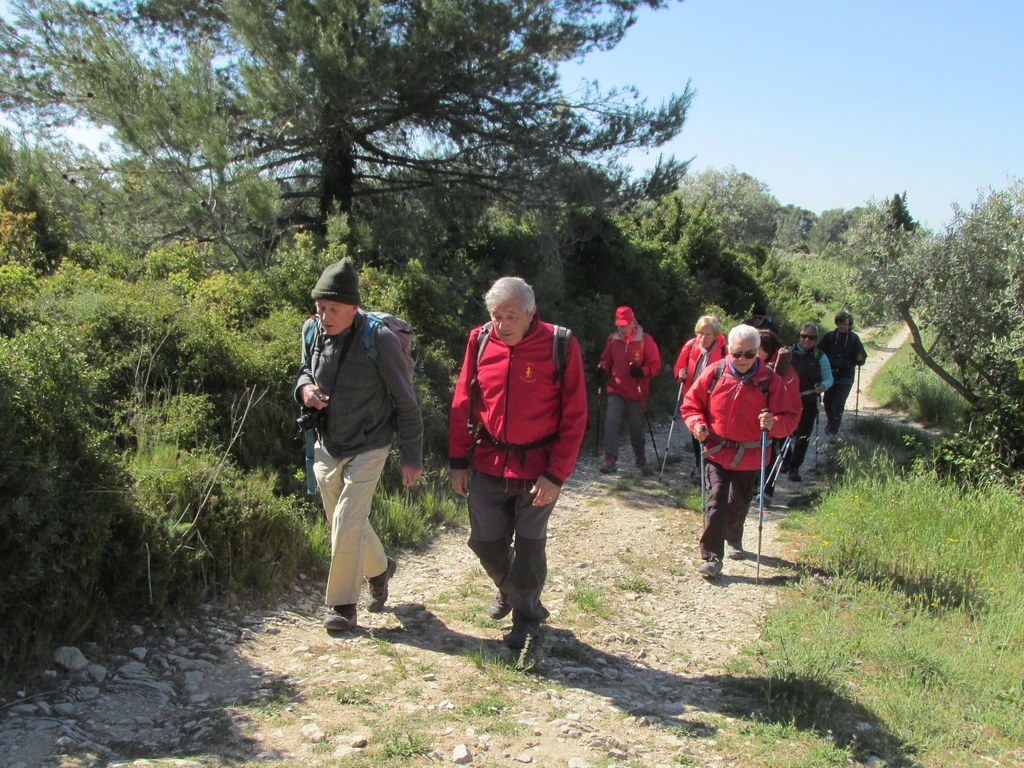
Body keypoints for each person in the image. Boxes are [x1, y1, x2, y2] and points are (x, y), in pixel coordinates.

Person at [449, 277, 587, 650]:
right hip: (488, 461)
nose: (503, 325)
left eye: (511, 316)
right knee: (484, 542)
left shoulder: (560, 343)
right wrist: (458, 460)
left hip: (539, 468)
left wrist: (556, 474)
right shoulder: (479, 341)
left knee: (529, 546)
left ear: (530, 313)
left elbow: (575, 415)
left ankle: (526, 620)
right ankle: (511, 590)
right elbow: (463, 401)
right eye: (497, 316)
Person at [294, 258, 424, 633]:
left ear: (354, 307)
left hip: (371, 443)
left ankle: (342, 605)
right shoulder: (311, 331)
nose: (325, 315)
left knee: (348, 520)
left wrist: (411, 457)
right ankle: (381, 569)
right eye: (320, 307)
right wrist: (306, 389)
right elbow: (303, 370)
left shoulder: (378, 339)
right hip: (326, 442)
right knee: (342, 521)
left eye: (334, 308)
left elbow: (406, 401)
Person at [681, 324, 798, 576]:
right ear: (728, 350)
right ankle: (712, 557)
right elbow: (690, 405)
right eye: (737, 353)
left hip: (752, 454)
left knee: (739, 502)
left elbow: (790, 417)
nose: (742, 359)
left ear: (758, 351)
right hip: (717, 450)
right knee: (717, 499)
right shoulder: (715, 373)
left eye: (749, 353)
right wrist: (697, 424)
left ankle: (734, 537)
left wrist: (774, 423)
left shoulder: (770, 381)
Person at [595, 306, 661, 473]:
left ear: (633, 322)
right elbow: (606, 360)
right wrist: (602, 368)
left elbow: (655, 365)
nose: (623, 328)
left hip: (636, 390)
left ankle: (639, 453)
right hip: (615, 388)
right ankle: (610, 458)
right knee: (611, 421)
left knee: (635, 425)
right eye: (620, 325)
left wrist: (642, 371)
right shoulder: (612, 340)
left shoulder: (645, 340)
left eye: (625, 325)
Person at [672, 315, 727, 484]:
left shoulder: (724, 350)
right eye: (700, 333)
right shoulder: (690, 346)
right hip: (694, 397)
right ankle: (699, 465)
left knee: (712, 432)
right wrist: (680, 373)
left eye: (707, 334)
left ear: (715, 335)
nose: (702, 337)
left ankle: (711, 466)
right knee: (697, 431)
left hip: (714, 399)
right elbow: (679, 366)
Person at [780, 322, 833, 482]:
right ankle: (786, 459)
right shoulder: (787, 352)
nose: (806, 340)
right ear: (799, 336)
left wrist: (823, 386)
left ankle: (795, 466)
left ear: (816, 340)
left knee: (803, 434)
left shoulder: (820, 356)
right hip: (786, 399)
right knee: (782, 431)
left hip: (808, 399)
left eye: (811, 337)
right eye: (804, 336)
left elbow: (829, 378)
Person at [817, 310, 867, 438]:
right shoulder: (829, 336)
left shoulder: (854, 338)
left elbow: (861, 354)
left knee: (839, 403)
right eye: (841, 323)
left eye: (845, 324)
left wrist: (860, 359)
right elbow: (819, 351)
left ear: (849, 324)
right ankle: (831, 423)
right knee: (828, 402)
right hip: (830, 375)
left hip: (846, 376)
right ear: (837, 323)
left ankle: (834, 430)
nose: (843, 326)